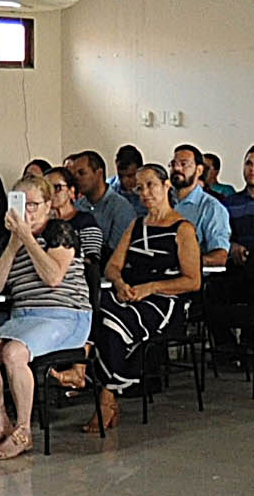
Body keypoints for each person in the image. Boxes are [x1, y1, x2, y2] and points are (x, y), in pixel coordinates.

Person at [0, 173, 91, 461]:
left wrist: (28, 236)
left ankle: (23, 431)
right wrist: (14, 244)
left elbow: (53, 277)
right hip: (25, 316)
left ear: (49, 206)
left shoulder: (59, 231)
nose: (27, 211)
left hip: (65, 316)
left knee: (14, 353)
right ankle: (1, 421)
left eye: (34, 205)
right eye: (20, 203)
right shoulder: (9, 241)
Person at [86, 163, 201, 434]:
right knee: (96, 308)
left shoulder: (182, 229)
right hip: (132, 292)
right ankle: (101, 385)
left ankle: (107, 396)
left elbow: (193, 281)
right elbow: (112, 266)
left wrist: (150, 287)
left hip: (165, 300)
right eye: (140, 188)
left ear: (165, 186)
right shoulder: (136, 225)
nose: (145, 193)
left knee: (115, 321)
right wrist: (120, 283)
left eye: (151, 185)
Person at [165, 145, 236, 270]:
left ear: (199, 170)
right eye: (173, 164)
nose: (177, 168)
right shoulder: (162, 201)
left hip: (190, 279)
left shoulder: (211, 208)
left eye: (184, 164)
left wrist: (181, 262)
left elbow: (220, 257)